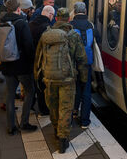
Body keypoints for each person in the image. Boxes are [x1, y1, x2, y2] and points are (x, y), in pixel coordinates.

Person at [35, 8, 88, 153]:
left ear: (56, 19)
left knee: (53, 106)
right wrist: (83, 79)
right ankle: (63, 139)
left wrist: (37, 77)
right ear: (68, 20)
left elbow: (38, 58)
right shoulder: (73, 36)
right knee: (65, 108)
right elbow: (81, 59)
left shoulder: (46, 35)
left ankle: (55, 131)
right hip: (67, 79)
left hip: (49, 78)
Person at [0, 0, 37, 135]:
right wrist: (33, 59)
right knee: (30, 91)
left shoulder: (1, 22)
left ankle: (11, 126)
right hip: (22, 65)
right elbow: (28, 45)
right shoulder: (21, 23)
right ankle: (24, 122)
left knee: (9, 94)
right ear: (19, 9)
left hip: (7, 64)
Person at [70, 2, 100, 129]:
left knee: (73, 88)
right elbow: (96, 40)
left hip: (73, 63)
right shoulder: (91, 25)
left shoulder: (70, 25)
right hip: (86, 63)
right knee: (86, 91)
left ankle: (74, 112)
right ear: (86, 11)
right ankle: (85, 121)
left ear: (74, 11)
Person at [28, 5, 55, 116]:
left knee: (31, 85)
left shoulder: (30, 24)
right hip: (41, 61)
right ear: (50, 15)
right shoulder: (47, 27)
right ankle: (43, 109)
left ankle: (30, 106)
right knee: (41, 86)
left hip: (29, 59)